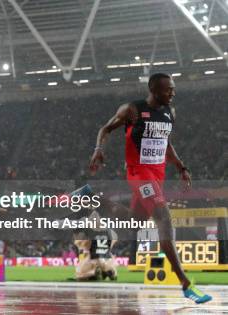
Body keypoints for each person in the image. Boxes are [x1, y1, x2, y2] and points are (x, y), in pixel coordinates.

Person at [87, 73, 211, 303]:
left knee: (134, 223)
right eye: (168, 89)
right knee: (164, 217)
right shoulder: (132, 110)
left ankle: (91, 198)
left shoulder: (169, 113)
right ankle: (186, 283)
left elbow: (166, 143)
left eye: (173, 89)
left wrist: (182, 166)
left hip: (156, 175)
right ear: (154, 89)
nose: (172, 93)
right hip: (138, 174)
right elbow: (105, 129)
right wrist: (98, 149)